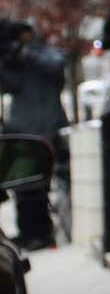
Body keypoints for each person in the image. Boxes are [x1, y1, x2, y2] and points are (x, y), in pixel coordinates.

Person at [0, 19, 68, 250]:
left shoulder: (47, 54)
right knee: (21, 185)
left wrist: (26, 54)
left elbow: (56, 67)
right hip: (21, 130)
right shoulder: (13, 62)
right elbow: (9, 86)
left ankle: (43, 232)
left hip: (46, 130)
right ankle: (27, 233)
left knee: (39, 186)